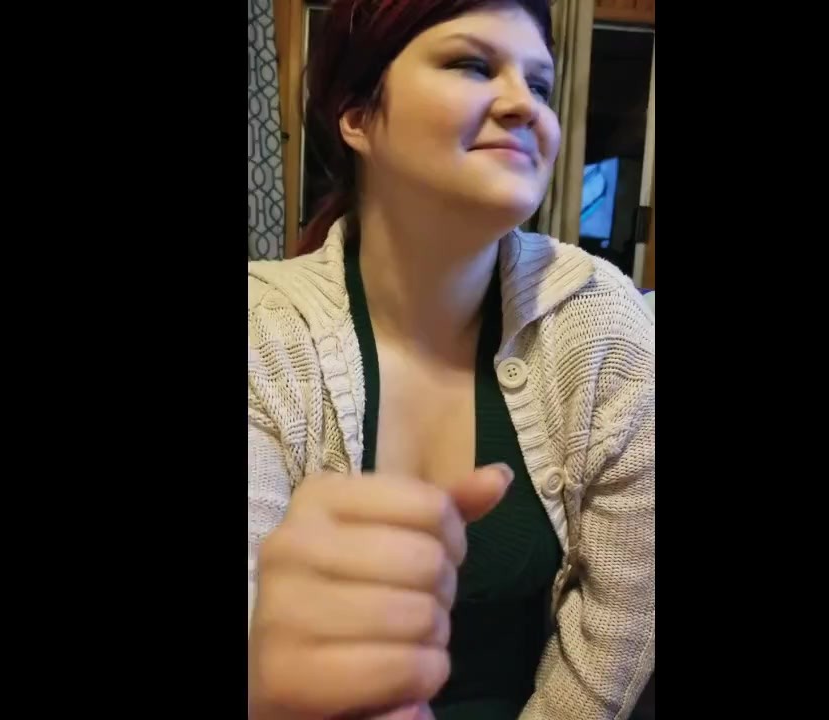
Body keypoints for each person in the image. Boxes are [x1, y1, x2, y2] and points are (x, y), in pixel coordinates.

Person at [247, 1, 655, 718]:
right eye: (472, 65)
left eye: (540, 85)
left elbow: (619, 631)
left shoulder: (602, 321)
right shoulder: (262, 328)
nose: (524, 105)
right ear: (357, 116)